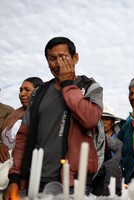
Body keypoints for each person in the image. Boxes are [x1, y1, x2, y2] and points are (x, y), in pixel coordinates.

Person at [3, 37, 103, 199]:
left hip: (73, 182)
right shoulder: (39, 93)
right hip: (37, 180)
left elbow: (90, 119)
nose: (58, 64)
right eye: (52, 58)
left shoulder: (90, 87)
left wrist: (68, 85)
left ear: (75, 58)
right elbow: (23, 136)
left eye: (63, 57)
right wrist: (14, 177)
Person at [0, 77, 43, 163]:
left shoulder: (43, 115)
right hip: (4, 163)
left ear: (38, 92)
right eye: (20, 90)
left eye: (27, 90)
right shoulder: (13, 114)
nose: (22, 94)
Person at [92, 107, 123, 196]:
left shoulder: (119, 138)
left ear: (113, 122)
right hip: (97, 176)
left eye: (107, 119)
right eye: (101, 119)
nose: (104, 122)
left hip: (114, 176)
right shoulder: (94, 137)